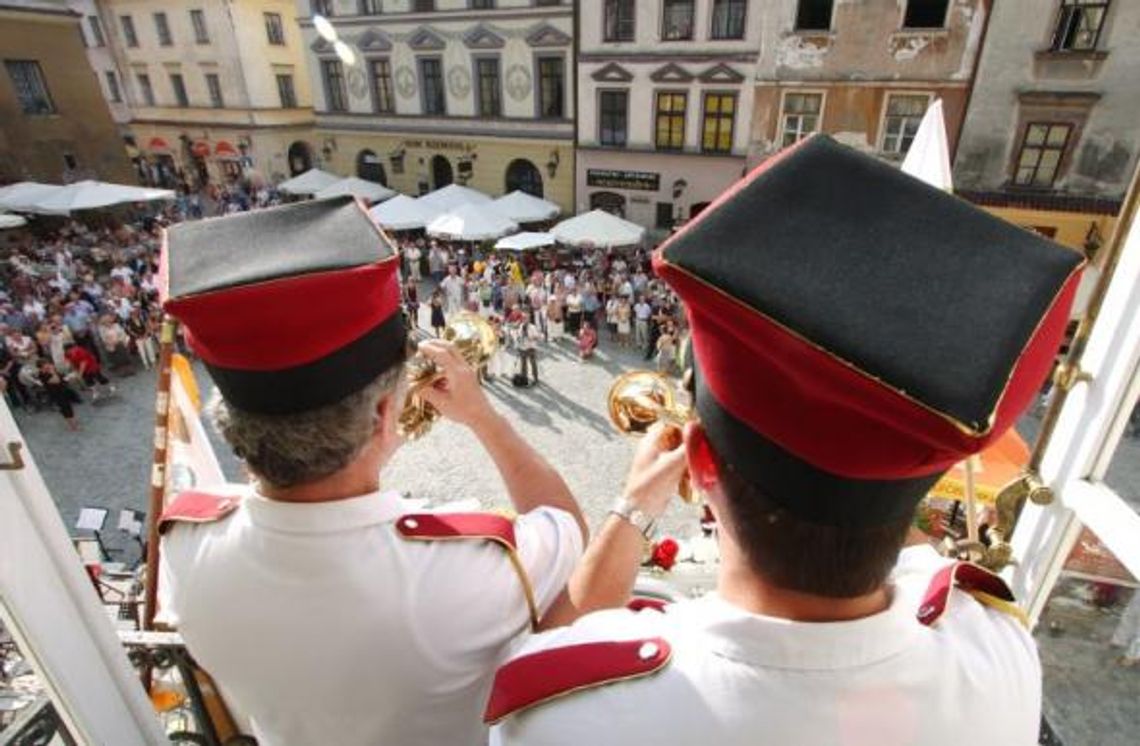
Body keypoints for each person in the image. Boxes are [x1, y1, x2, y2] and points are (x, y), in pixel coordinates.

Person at [488, 135, 1086, 745]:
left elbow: (559, 652)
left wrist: (634, 506)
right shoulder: (1000, 651)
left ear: (700, 464)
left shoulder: (568, 718)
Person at [156, 196, 587, 746]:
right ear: (387, 415)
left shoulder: (185, 542)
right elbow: (567, 526)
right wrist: (484, 418)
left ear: (232, 420)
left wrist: (335, 444)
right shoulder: (464, 567)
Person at [36, 359, 81, 431]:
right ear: (41, 367)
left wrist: (70, 377)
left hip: (63, 390)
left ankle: (73, 421)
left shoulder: (49, 371)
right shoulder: (42, 375)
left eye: (48, 363)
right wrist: (53, 372)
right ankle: (73, 426)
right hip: (57, 394)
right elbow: (56, 380)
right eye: (46, 364)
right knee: (65, 409)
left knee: (69, 407)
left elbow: (61, 377)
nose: (48, 365)